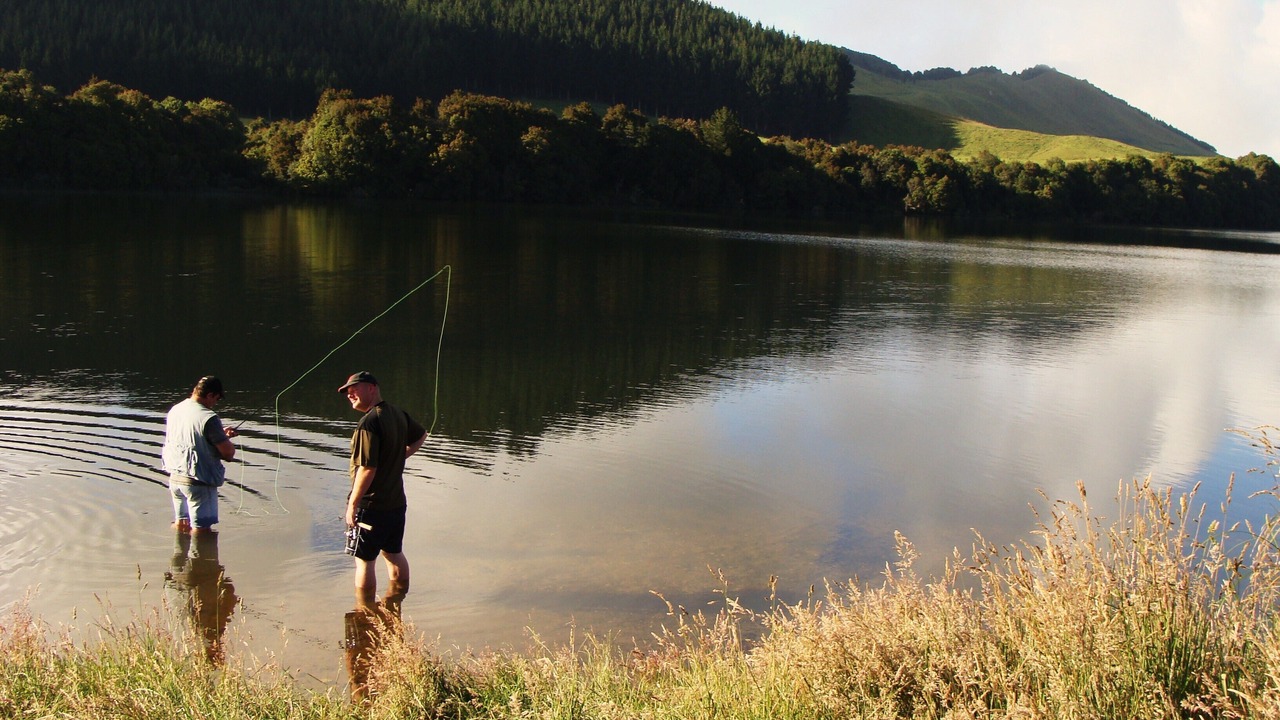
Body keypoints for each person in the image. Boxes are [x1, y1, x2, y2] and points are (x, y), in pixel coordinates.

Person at [338, 371, 426, 602]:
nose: (350, 394)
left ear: (372, 388)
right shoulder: (397, 414)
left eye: (354, 389)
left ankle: (364, 612)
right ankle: (396, 603)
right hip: (396, 504)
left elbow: (367, 469)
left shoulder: (369, 423)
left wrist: (353, 505)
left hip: (371, 506)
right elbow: (421, 435)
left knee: (364, 561)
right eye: (347, 392)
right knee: (394, 553)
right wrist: (399, 456)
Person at [162, 375, 238, 533]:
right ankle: (201, 550)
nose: (215, 403)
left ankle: (178, 548)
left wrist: (220, 436)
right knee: (202, 532)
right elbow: (228, 453)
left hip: (175, 478)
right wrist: (224, 440)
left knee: (181, 524)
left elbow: (190, 437)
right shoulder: (208, 417)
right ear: (210, 395)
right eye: (216, 399)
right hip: (198, 482)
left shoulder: (176, 409)